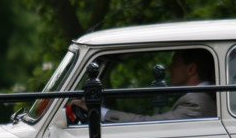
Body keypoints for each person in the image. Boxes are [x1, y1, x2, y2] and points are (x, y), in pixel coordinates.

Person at [73, 49, 216, 122]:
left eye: (175, 63)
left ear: (191, 69)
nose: (169, 68)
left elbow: (153, 124)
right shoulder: (202, 97)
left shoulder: (195, 103)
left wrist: (100, 112)